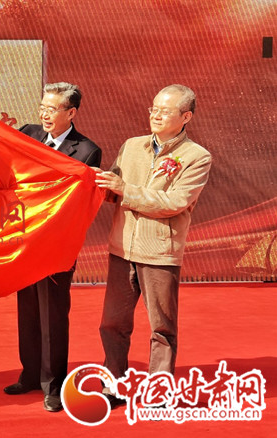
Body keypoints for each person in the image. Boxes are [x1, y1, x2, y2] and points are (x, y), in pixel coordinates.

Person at [94, 84, 212, 405]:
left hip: (160, 253)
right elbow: (114, 190)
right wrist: (93, 183)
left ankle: (159, 390)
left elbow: (175, 202)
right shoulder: (132, 146)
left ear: (186, 116)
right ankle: (113, 384)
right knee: (112, 323)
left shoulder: (196, 157)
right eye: (153, 109)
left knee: (162, 327)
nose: (156, 116)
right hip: (121, 248)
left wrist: (124, 189)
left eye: (165, 111)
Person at [3, 82, 101, 412]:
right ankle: (30, 373)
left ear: (71, 112)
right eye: (42, 107)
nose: (44, 115)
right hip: (25, 241)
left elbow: (77, 204)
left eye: (53, 109)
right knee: (28, 311)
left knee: (53, 315)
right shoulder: (27, 133)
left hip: (57, 247)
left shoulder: (86, 150)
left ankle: (54, 382)